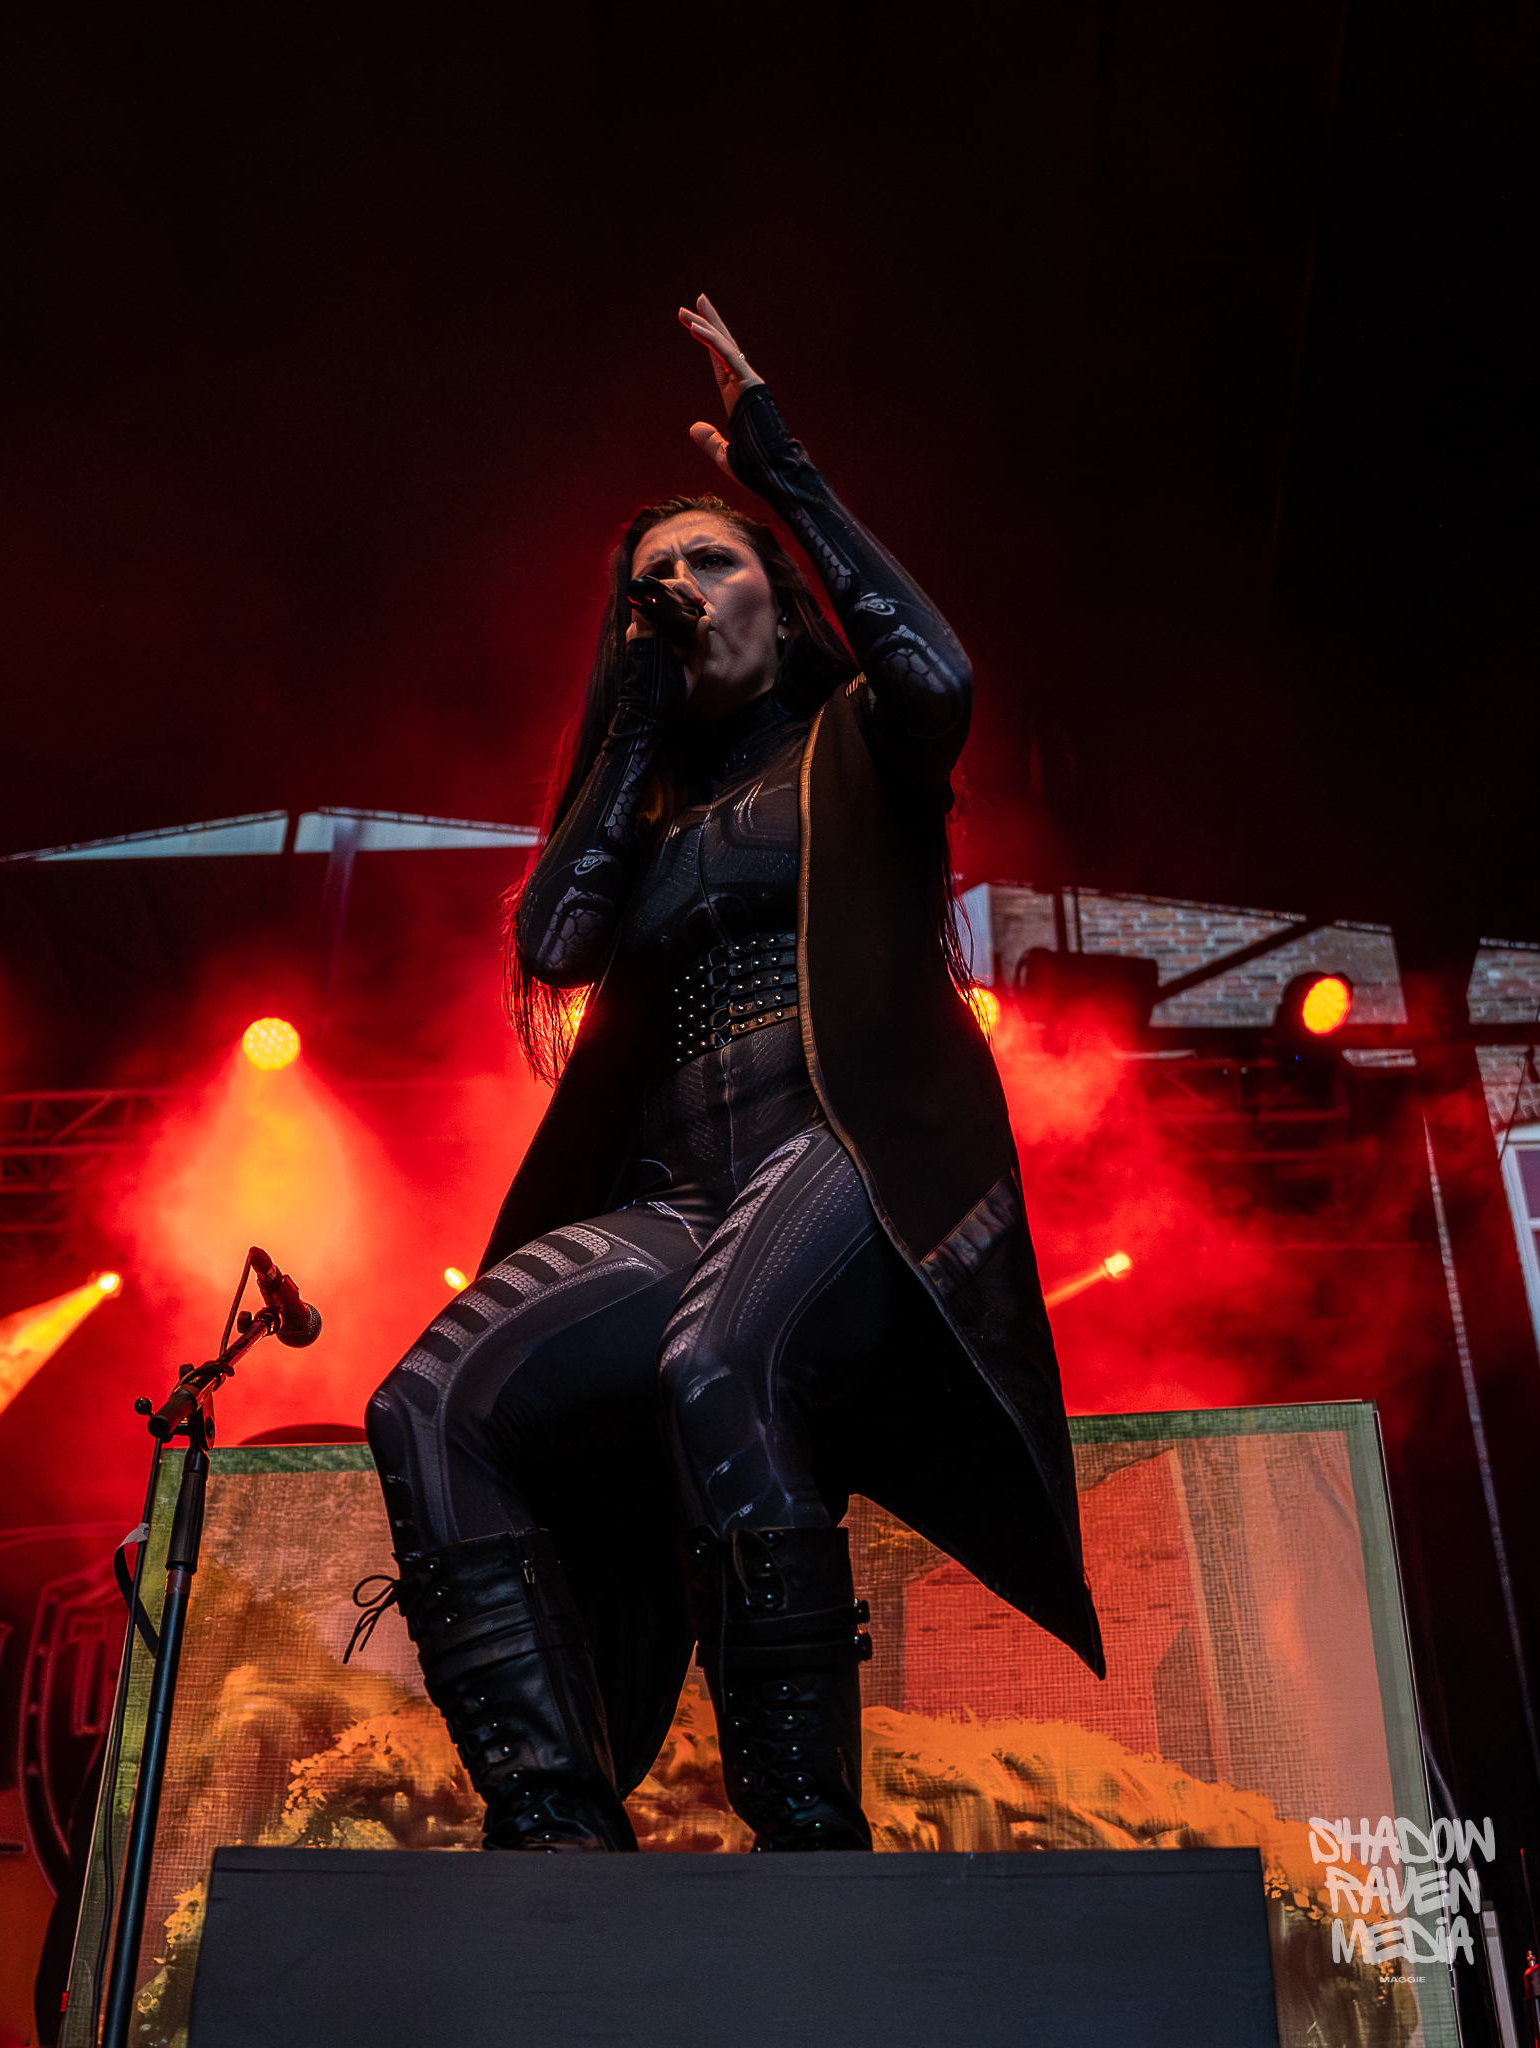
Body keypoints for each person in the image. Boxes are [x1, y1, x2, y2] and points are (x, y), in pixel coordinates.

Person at [355, 296, 1104, 1853]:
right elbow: (556, 945)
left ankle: (804, 1822)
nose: (684, 590)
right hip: (679, 1194)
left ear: (775, 588)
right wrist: (632, 721)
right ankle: (554, 1820)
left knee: (715, 1355)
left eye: (712, 561)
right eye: (656, 581)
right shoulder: (645, 809)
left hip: (843, 1152)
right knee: (427, 1401)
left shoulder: (857, 736)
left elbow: (940, 671)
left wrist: (780, 468)